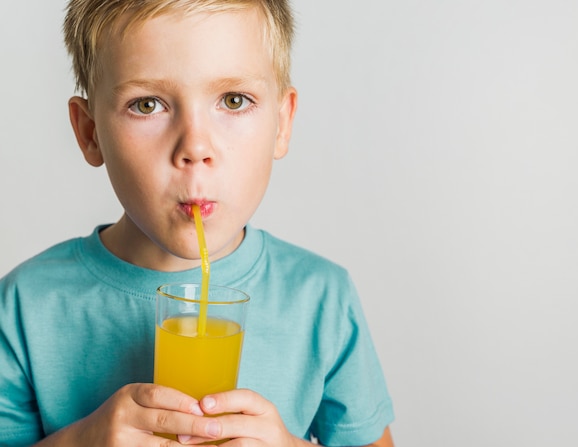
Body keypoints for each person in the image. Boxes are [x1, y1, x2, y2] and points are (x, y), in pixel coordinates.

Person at [0, 0, 395, 445]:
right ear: (91, 133)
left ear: (281, 123)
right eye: (147, 104)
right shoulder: (23, 305)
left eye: (233, 100)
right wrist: (79, 441)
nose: (195, 146)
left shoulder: (321, 298)